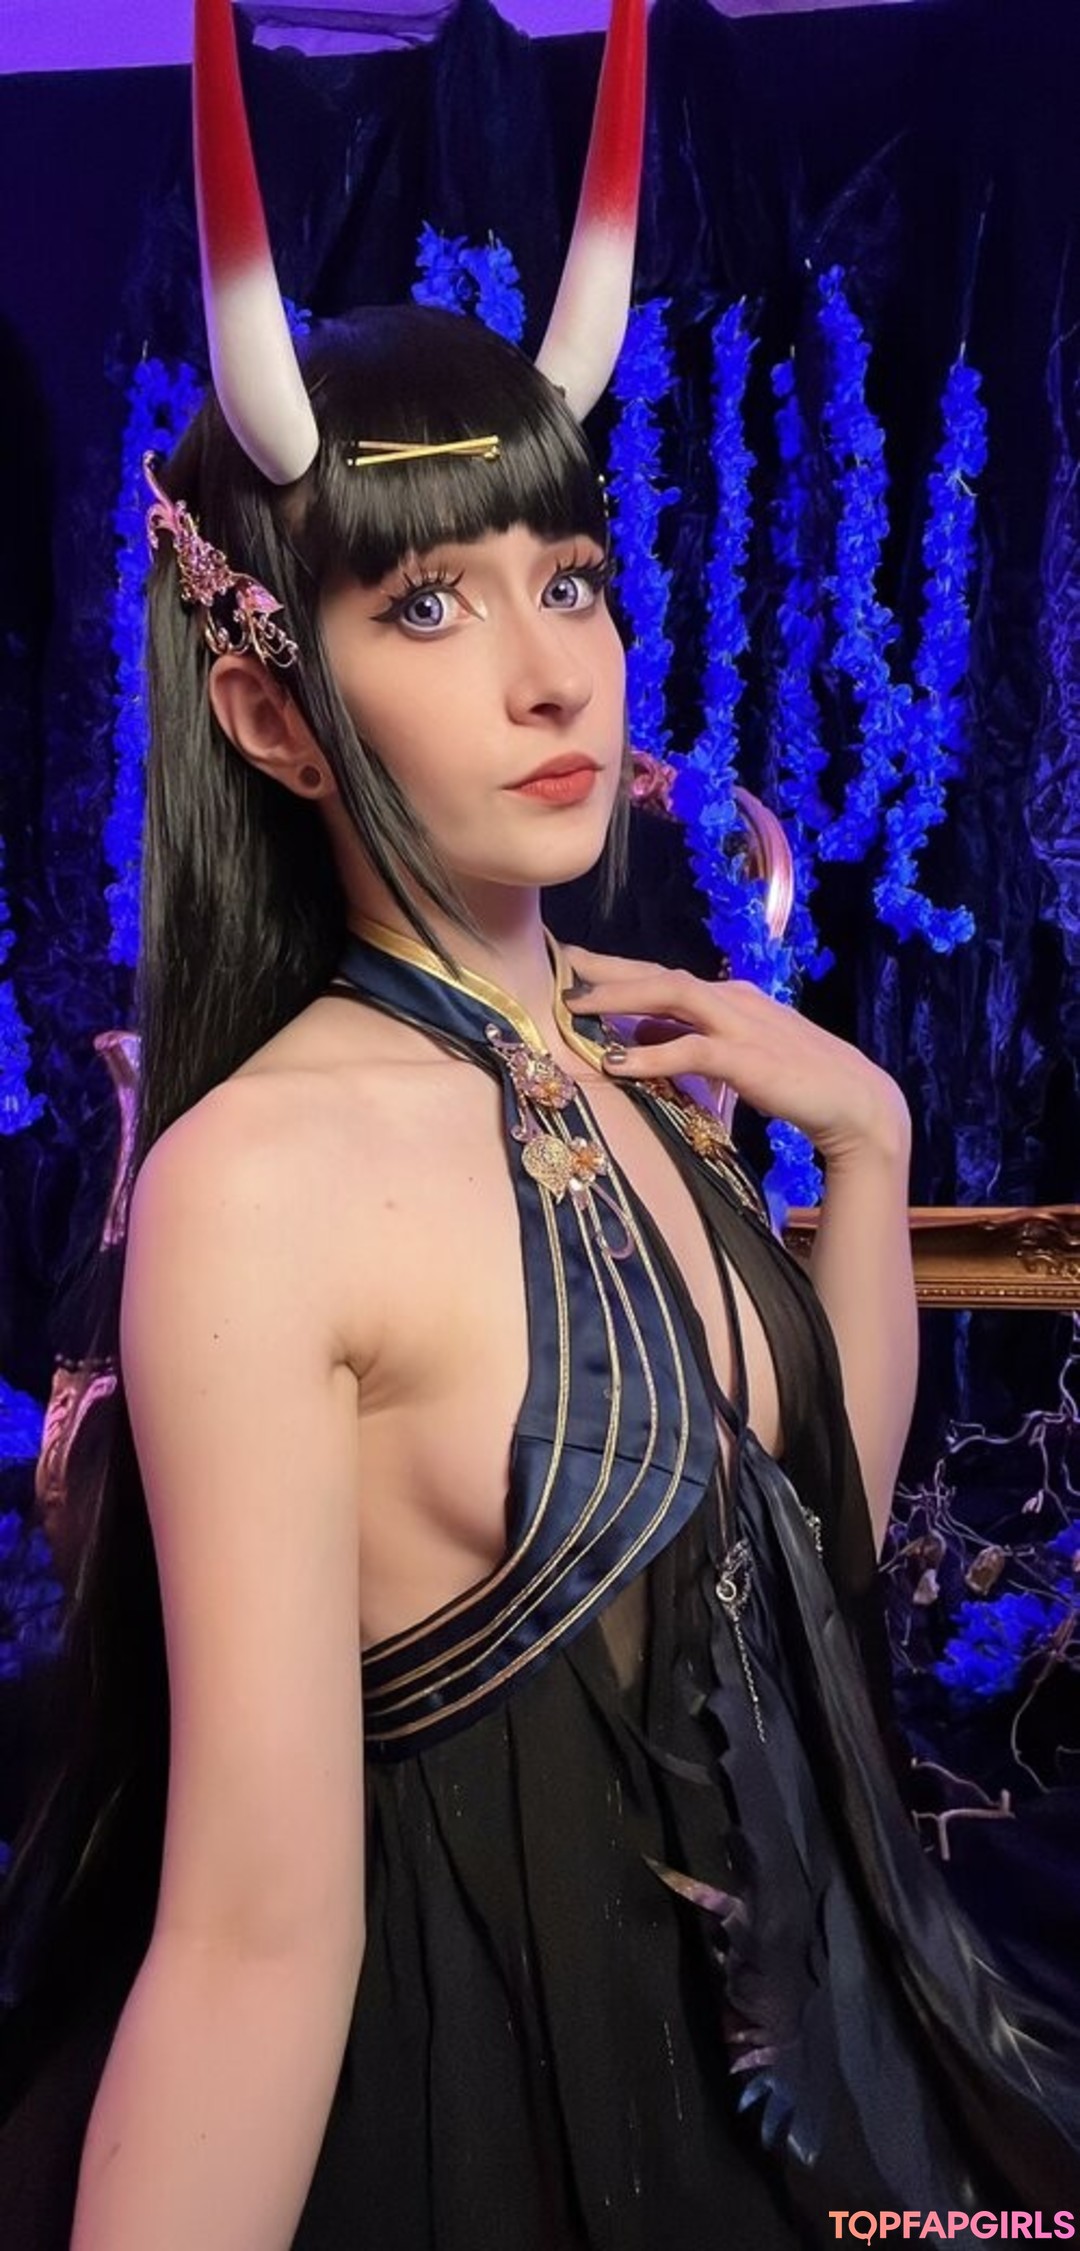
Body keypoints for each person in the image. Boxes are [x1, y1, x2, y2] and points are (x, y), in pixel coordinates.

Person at [2, 2, 1080, 2246]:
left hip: (793, 2099)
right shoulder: (260, 1182)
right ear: (270, 717)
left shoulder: (627, 1070)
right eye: (431, 600)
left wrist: (873, 1147)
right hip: (510, 2136)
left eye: (568, 577)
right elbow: (249, 1945)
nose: (552, 666)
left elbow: (804, 1571)